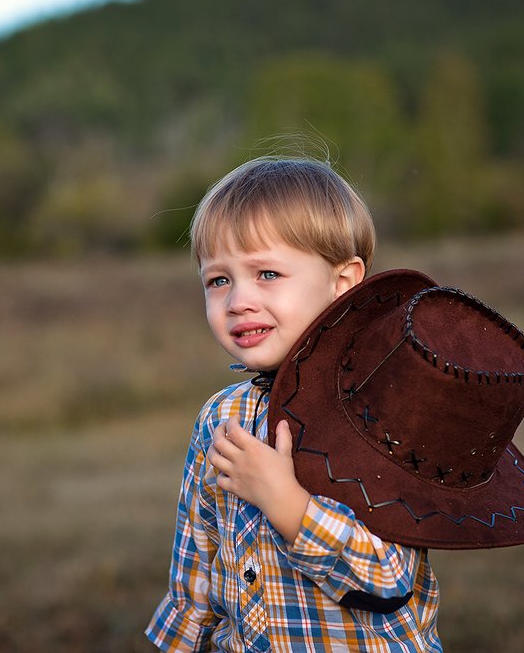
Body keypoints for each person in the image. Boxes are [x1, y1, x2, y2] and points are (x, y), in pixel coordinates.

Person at [145, 156, 443, 652]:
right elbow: (196, 572)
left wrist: (288, 504)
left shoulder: (379, 412)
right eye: (218, 280)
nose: (238, 301)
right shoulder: (221, 418)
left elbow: (388, 581)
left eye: (266, 273)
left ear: (343, 283)